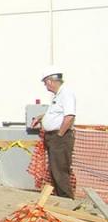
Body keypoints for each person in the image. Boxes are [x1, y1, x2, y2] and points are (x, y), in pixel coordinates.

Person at [30, 66, 76, 198]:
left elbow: (69, 116)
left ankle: (66, 202)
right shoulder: (58, 96)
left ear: (50, 81)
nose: (45, 86)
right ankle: (61, 199)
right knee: (54, 171)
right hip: (55, 137)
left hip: (60, 138)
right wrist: (41, 117)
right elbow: (57, 114)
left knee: (60, 171)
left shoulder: (66, 93)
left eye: (45, 83)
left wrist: (60, 134)